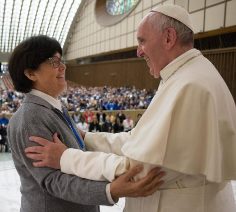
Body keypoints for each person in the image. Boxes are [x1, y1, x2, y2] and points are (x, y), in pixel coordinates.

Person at [25, 4, 236, 212]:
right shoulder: (185, 76)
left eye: (142, 41)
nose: (138, 51)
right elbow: (138, 140)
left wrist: (66, 158)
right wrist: (86, 138)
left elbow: (138, 172)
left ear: (169, 38)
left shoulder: (190, 85)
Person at [7, 35, 164, 212]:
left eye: (62, 60)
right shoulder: (31, 117)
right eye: (54, 62)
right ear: (30, 73)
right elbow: (52, 180)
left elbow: (77, 155)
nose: (63, 67)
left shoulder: (54, 108)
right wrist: (109, 190)